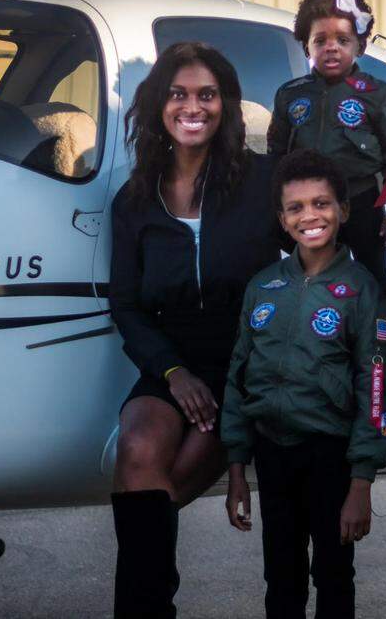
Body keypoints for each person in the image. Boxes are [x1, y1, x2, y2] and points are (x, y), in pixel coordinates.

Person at [108, 42, 285, 618]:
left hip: (246, 364)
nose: (193, 106)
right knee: (138, 450)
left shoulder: (262, 183)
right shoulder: (135, 200)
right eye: (179, 93)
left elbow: (317, 250)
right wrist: (173, 372)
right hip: (173, 362)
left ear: (226, 105)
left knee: (162, 492)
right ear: (159, 103)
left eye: (207, 95)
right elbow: (127, 306)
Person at [221, 148, 386, 619]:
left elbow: (376, 388)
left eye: (321, 204)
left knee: (334, 575)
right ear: (281, 219)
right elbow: (239, 376)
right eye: (296, 207)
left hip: (331, 457)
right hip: (272, 455)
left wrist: (362, 481)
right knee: (281, 576)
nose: (310, 216)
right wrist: (237, 466)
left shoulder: (362, 291)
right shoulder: (263, 287)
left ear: (343, 210)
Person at [266, 0, 386, 285]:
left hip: (362, 205)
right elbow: (276, 155)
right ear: (306, 44)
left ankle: (374, 332)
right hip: (307, 209)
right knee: (309, 280)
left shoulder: (381, 94)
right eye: (320, 40)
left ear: (359, 45)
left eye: (342, 40)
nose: (331, 47)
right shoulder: (290, 95)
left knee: (372, 284)